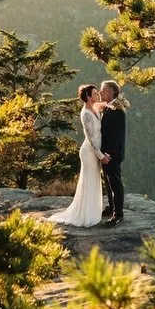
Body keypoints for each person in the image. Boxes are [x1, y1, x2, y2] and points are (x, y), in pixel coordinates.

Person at [50, 84, 108, 228]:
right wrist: (101, 156)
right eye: (95, 94)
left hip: (95, 151)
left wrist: (116, 102)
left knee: (94, 180)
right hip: (89, 152)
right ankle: (86, 215)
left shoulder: (94, 108)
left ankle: (92, 212)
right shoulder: (86, 114)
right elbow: (91, 139)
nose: (97, 95)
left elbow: (107, 104)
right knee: (89, 181)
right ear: (88, 97)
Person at [98, 80, 127, 225]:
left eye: (103, 90)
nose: (100, 93)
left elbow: (116, 135)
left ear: (111, 92)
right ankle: (111, 207)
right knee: (108, 182)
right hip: (106, 153)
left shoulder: (117, 109)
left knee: (115, 182)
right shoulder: (109, 107)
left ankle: (118, 214)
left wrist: (108, 154)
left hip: (112, 154)